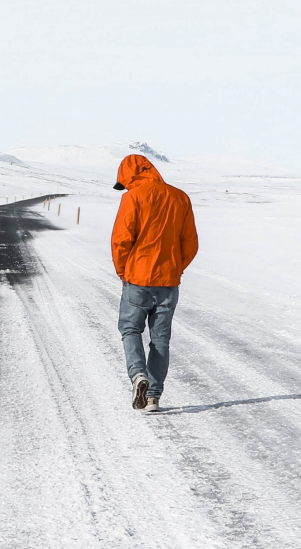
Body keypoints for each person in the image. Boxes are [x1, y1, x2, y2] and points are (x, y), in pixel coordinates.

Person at [109, 154, 198, 413]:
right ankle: (153, 398)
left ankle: (138, 375)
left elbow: (121, 239)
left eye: (124, 183)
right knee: (160, 340)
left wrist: (124, 271)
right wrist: (174, 267)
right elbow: (190, 243)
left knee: (130, 329)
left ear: (130, 177)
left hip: (137, 277)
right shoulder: (180, 197)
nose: (125, 188)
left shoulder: (133, 197)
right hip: (168, 282)